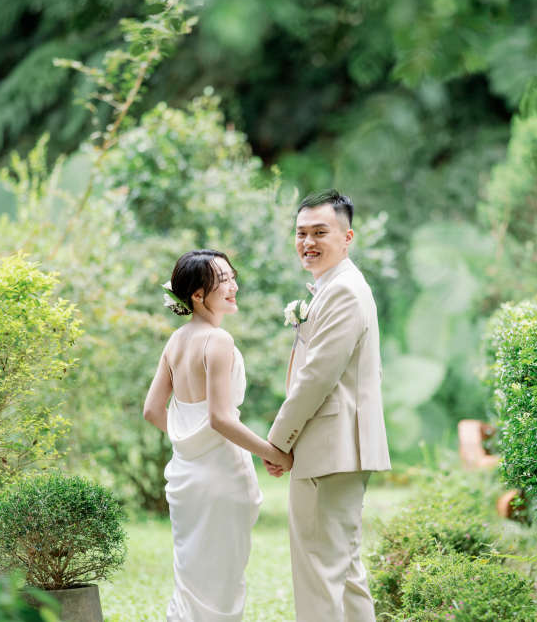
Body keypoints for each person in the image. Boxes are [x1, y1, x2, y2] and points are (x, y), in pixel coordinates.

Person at [143, 249, 293, 622]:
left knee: (192, 581)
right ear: (197, 294)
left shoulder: (175, 341)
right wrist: (273, 453)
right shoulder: (218, 340)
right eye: (223, 280)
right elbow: (220, 419)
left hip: (186, 477)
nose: (233, 286)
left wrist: (189, 438)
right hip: (222, 476)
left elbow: (153, 411)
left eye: (232, 277)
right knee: (223, 583)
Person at [265, 189, 392, 622]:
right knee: (345, 572)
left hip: (329, 450)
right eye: (301, 233)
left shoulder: (343, 291)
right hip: (339, 448)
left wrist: (277, 441)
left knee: (319, 575)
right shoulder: (337, 286)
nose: (308, 242)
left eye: (320, 232)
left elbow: (316, 377)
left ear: (347, 236)